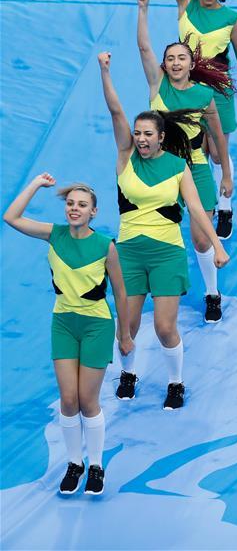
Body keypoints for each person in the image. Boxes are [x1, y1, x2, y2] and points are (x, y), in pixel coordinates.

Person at [98, 51, 229, 409]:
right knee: (126, 326)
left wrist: (217, 246)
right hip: (128, 253)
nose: (140, 139)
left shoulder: (177, 166)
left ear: (160, 137)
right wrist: (105, 71)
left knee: (165, 328)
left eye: (147, 134)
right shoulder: (125, 158)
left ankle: (175, 382)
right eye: (137, 133)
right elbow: (115, 111)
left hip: (167, 253)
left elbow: (199, 212)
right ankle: (128, 373)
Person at [4, 174, 132, 495]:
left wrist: (125, 335)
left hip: (96, 326)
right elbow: (11, 217)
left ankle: (96, 466)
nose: (75, 209)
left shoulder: (106, 246)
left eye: (82, 205)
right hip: (63, 324)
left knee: (89, 401)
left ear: (94, 212)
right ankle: (75, 463)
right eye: (71, 204)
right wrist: (34, 184)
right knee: (68, 399)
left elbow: (120, 291)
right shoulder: (54, 235)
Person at [137, 0, 233, 323]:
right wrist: (143, 9)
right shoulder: (157, 86)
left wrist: (227, 174)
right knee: (163, 229)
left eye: (182, 58)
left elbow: (217, 132)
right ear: (165, 65)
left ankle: (212, 292)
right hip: (161, 168)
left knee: (200, 235)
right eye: (171, 59)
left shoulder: (204, 94)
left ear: (191, 64)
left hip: (195, 166)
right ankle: (161, 284)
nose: (176, 63)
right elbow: (144, 47)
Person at [160, 0, 237, 239]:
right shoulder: (185, 3)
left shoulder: (232, 19)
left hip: (218, 90)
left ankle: (225, 203)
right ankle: (194, 205)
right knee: (190, 148)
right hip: (183, 88)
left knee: (217, 152)